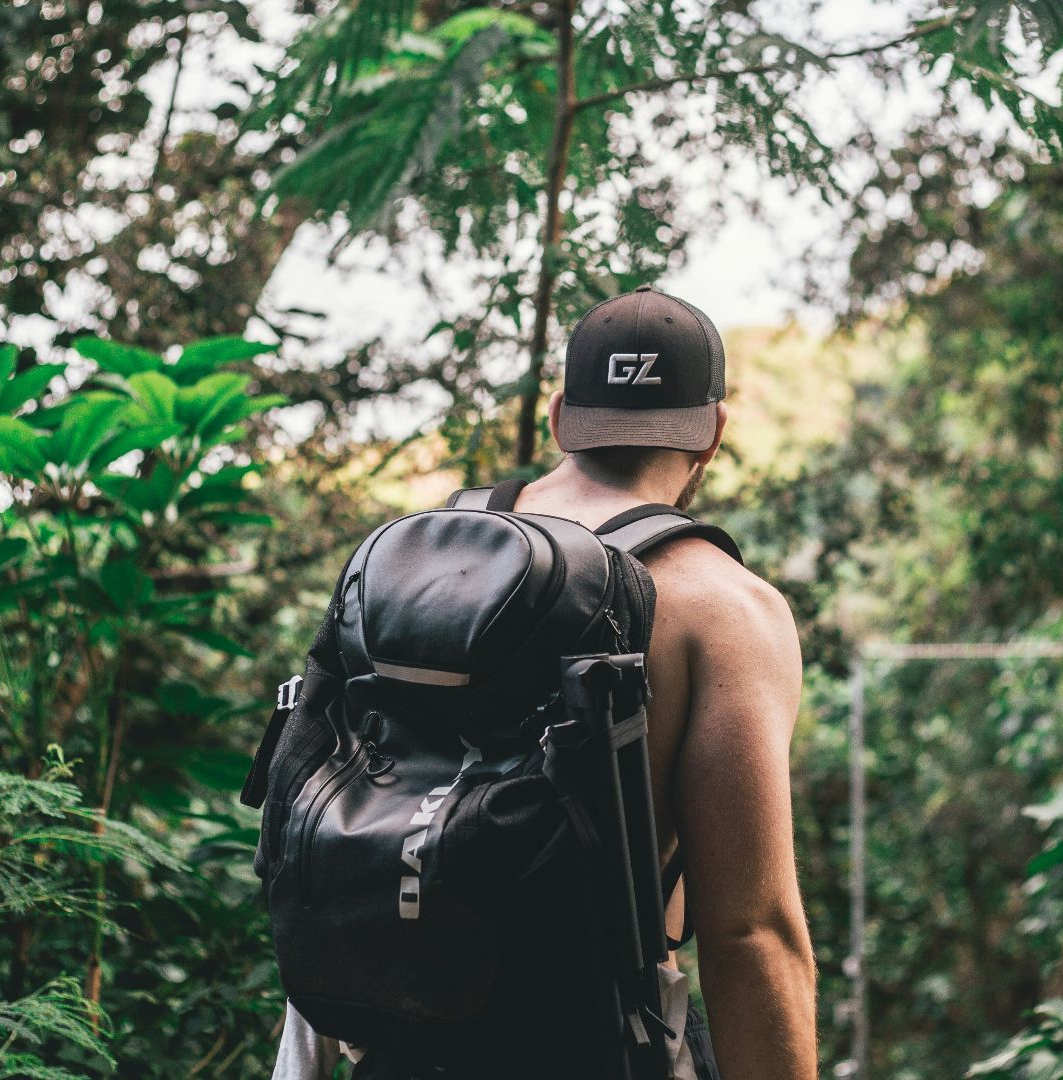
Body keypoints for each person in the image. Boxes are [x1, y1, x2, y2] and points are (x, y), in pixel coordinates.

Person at [272, 285, 817, 1080]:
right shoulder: (727, 610)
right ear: (714, 433)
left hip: (393, 1046)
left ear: (562, 417)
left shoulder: (408, 565)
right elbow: (752, 935)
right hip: (594, 1046)